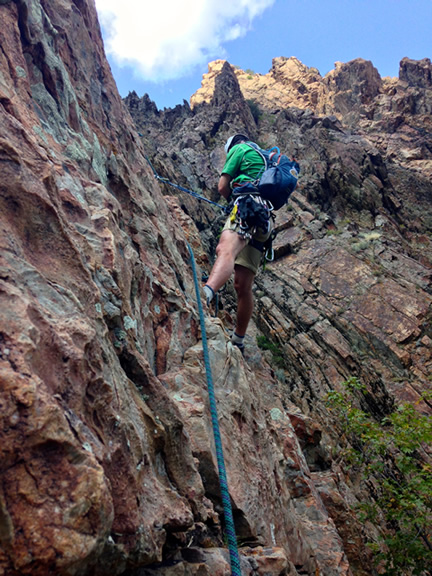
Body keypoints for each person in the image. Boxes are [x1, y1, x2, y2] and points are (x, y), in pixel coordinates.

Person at [203, 133, 273, 354]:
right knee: (243, 286)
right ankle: (239, 339)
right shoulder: (264, 158)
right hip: (265, 221)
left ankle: (205, 294)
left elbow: (222, 186)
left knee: (225, 250)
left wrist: (230, 199)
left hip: (247, 208)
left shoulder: (239, 150)